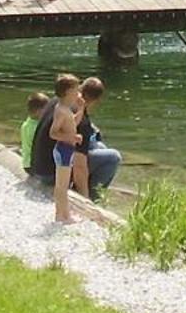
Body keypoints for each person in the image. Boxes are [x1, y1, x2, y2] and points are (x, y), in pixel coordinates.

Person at [46, 73, 86, 222]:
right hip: (63, 149)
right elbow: (53, 133)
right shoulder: (61, 110)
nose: (79, 93)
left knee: (63, 184)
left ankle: (62, 214)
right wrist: (72, 138)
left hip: (67, 150)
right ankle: (63, 216)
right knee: (62, 186)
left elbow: (73, 123)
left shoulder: (66, 109)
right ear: (68, 92)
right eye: (77, 90)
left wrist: (81, 109)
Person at [76, 75, 122, 198]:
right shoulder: (82, 122)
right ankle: (93, 197)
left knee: (100, 146)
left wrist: (92, 128)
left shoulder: (69, 100)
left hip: (49, 159)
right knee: (114, 157)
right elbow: (79, 162)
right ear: (97, 100)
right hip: (61, 166)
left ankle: (90, 187)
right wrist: (83, 198)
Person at [18, 90, 48, 174]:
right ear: (39, 111)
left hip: (26, 164)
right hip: (34, 167)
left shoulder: (26, 124)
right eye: (47, 109)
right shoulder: (38, 127)